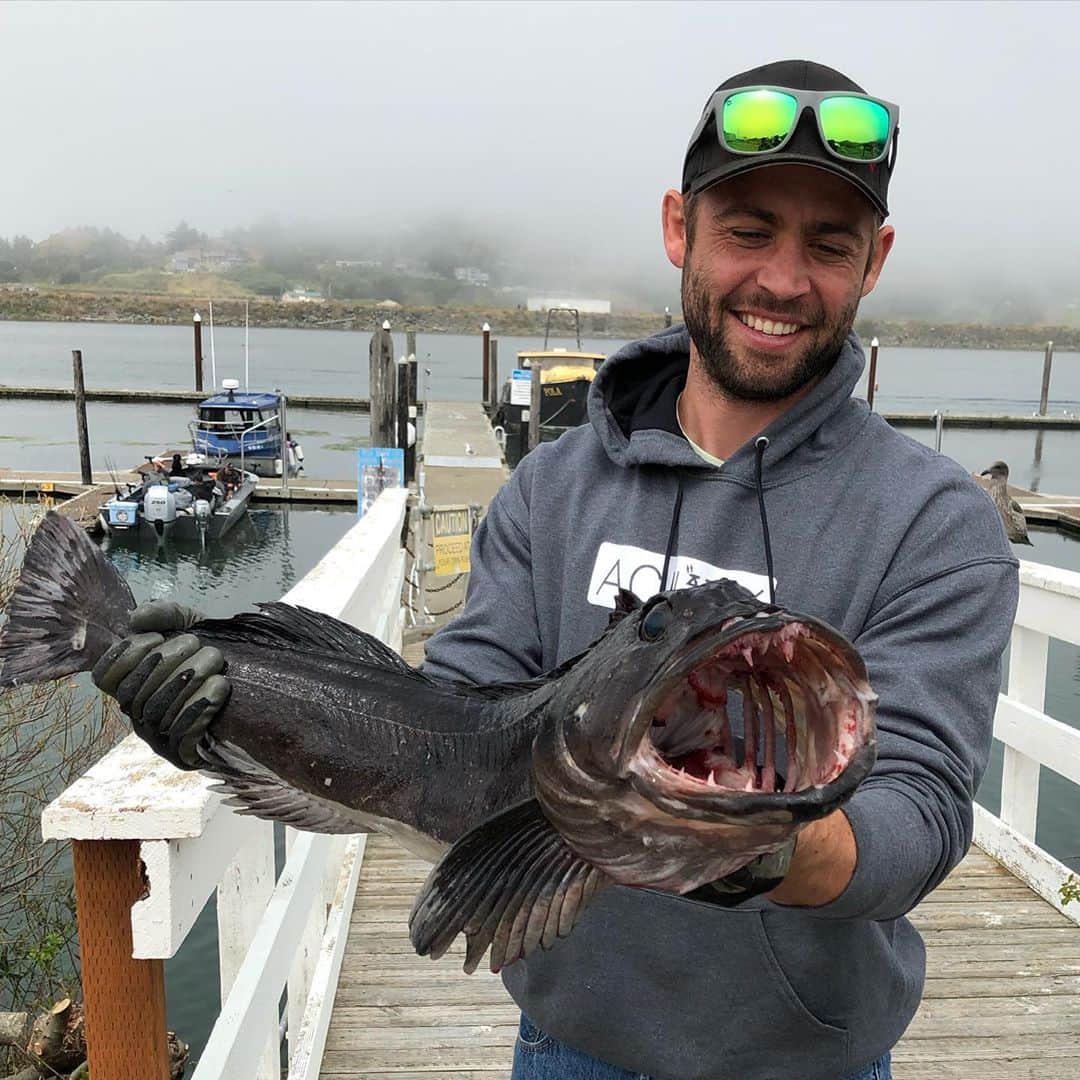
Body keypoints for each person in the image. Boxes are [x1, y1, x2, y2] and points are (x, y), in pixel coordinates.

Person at [93, 59, 1018, 1080]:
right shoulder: (553, 488)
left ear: (875, 260)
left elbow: (920, 817)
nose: (784, 279)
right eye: (747, 230)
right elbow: (446, 735)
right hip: (569, 1047)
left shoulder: (934, 523)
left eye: (829, 244)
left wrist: (760, 846)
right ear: (679, 228)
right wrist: (229, 719)